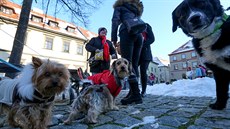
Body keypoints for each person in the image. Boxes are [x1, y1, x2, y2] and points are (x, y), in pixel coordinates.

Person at [111, 0, 144, 105]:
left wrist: (114, 38)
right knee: (133, 64)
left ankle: (136, 95)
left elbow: (115, 21)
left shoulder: (119, 7)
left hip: (127, 32)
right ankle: (133, 92)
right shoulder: (135, 9)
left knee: (127, 63)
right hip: (139, 35)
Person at [138, 23, 155, 97]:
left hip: (145, 52)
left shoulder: (146, 25)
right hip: (136, 53)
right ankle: (134, 90)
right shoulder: (132, 25)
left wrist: (142, 44)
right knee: (132, 69)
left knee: (143, 71)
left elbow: (152, 39)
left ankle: (143, 91)